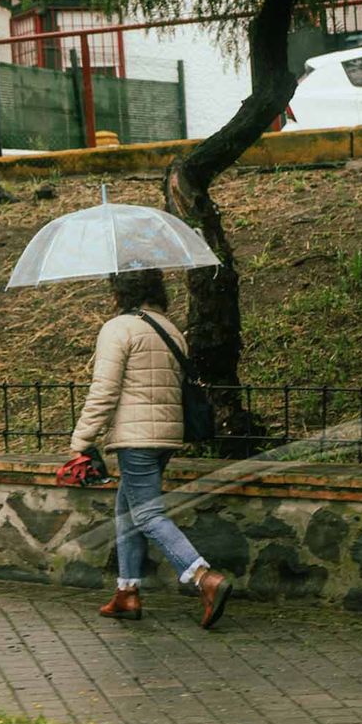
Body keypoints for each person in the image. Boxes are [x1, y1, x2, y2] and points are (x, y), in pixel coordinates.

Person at [69, 269, 232, 628]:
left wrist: (81, 441)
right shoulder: (170, 329)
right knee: (127, 512)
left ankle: (203, 577)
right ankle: (127, 592)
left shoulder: (119, 328)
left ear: (120, 291)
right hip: (166, 436)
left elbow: (105, 392)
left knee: (146, 515)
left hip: (136, 438)